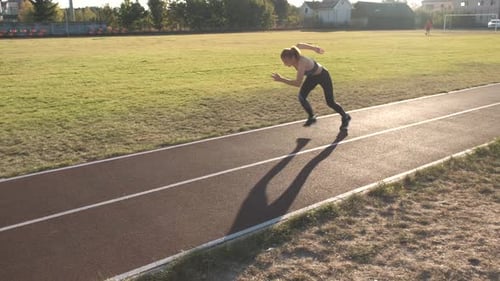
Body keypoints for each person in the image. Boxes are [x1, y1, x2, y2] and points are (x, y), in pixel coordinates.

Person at [271, 43, 351, 130]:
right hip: (312, 77)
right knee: (302, 97)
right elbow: (299, 45)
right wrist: (314, 48)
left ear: (293, 58)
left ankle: (345, 116)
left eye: (286, 61)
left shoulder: (302, 63)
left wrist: (282, 79)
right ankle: (311, 116)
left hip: (323, 75)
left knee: (330, 102)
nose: (284, 64)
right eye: (283, 61)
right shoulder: (293, 52)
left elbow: (298, 83)